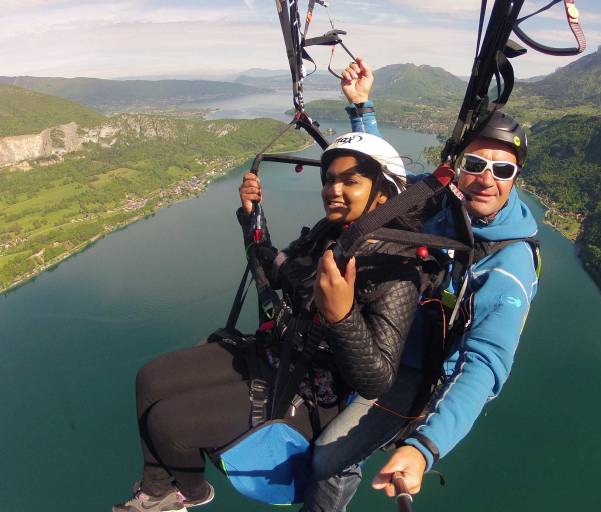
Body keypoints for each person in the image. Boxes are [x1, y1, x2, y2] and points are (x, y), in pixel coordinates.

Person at [112, 130, 434, 512]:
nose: (333, 189)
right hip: (280, 353)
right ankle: (158, 489)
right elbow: (279, 268)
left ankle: (189, 494)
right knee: (149, 379)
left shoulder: (398, 267)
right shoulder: (329, 233)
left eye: (350, 180)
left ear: (383, 193)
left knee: (169, 422)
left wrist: (342, 316)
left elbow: (377, 379)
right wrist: (252, 217)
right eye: (329, 179)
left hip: (316, 390)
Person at [336, 58, 540, 499]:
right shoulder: (447, 201)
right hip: (382, 330)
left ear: (516, 178)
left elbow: (484, 365)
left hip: (416, 371)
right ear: (459, 165)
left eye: (503, 170)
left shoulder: (509, 267)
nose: (486, 179)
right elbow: (394, 190)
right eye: (475, 164)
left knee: (327, 461)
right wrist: (361, 108)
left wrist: (424, 448)